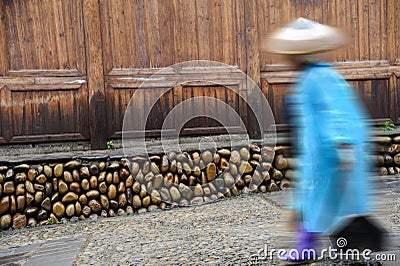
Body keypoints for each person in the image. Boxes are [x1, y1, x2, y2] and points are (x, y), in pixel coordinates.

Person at [263, 18, 372, 263]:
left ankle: (311, 245)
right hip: (316, 151)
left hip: (327, 152)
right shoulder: (309, 77)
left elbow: (335, 111)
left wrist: (343, 144)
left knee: (318, 198)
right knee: (313, 198)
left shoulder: (318, 77)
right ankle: (311, 243)